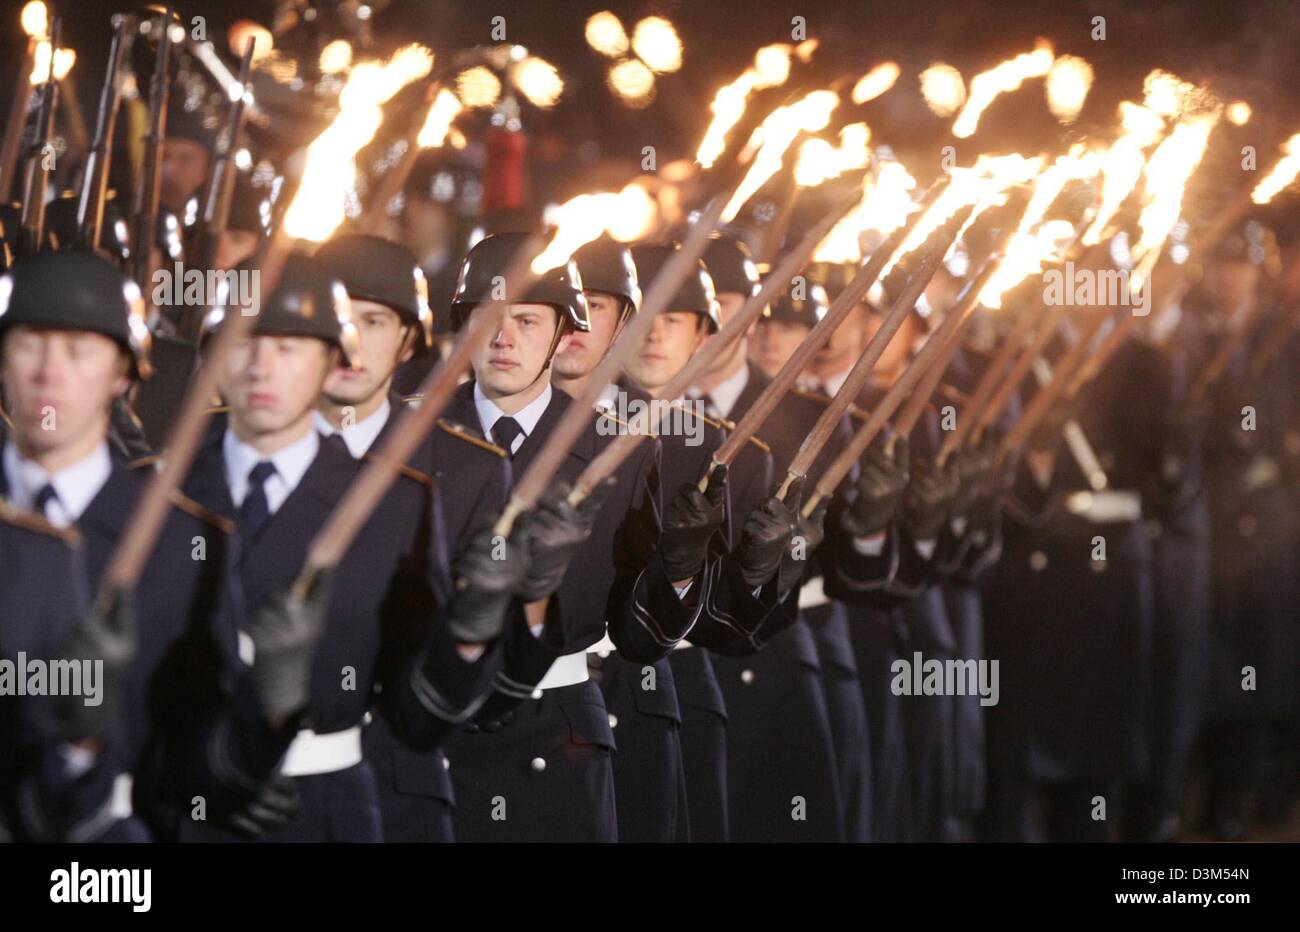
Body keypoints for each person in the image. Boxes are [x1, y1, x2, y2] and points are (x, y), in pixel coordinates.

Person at [177, 253, 516, 842]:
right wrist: (202, 768)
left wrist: (466, 637)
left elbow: (416, 715)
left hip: (329, 807)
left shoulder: (393, 502)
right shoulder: (159, 491)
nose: (262, 367)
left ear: (332, 359)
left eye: (290, 348)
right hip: (183, 811)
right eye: (242, 342)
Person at [437, 233, 700, 842]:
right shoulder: (408, 440)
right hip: (435, 732)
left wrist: (681, 571)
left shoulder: (620, 453)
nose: (503, 339)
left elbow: (639, 634)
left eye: (527, 321)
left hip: (558, 734)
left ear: (561, 335)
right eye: (487, 319)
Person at [313, 232, 512, 842]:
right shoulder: (230, 451)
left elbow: (461, 680)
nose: (351, 340)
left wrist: (474, 629)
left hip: (399, 779)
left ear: (408, 340)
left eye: (373, 321)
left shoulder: (471, 465)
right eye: (338, 318)